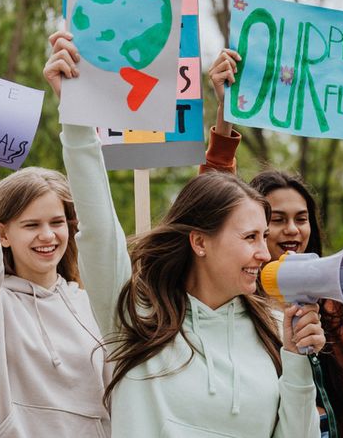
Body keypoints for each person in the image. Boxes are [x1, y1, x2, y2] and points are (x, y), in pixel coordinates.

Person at [44, 31, 324, 437]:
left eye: (264, 237)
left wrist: (297, 359)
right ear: (199, 241)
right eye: (250, 238)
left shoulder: (275, 331)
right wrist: (76, 116)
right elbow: (100, 227)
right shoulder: (134, 317)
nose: (265, 252)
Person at [205, 48, 343, 438]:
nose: (292, 230)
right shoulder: (230, 302)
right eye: (276, 220)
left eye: (301, 219)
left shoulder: (333, 305)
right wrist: (225, 114)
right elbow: (214, 206)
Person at [0, 141, 110, 438]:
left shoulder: (92, 305)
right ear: (2, 234)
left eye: (57, 222)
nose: (47, 235)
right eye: (31, 225)